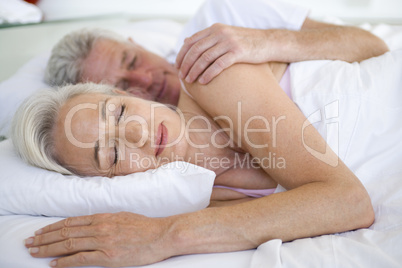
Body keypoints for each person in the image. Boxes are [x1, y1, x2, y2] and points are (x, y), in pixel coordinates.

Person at [13, 58, 375, 267]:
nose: (138, 134)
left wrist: (165, 236)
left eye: (120, 112)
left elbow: (348, 202)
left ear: (129, 94)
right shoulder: (206, 201)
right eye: (113, 153)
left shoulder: (212, 80)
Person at [44, 0, 388, 106]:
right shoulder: (159, 146)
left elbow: (373, 46)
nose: (144, 80)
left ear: (137, 42)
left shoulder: (225, 15)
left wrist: (266, 42)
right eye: (121, 87)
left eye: (132, 61)